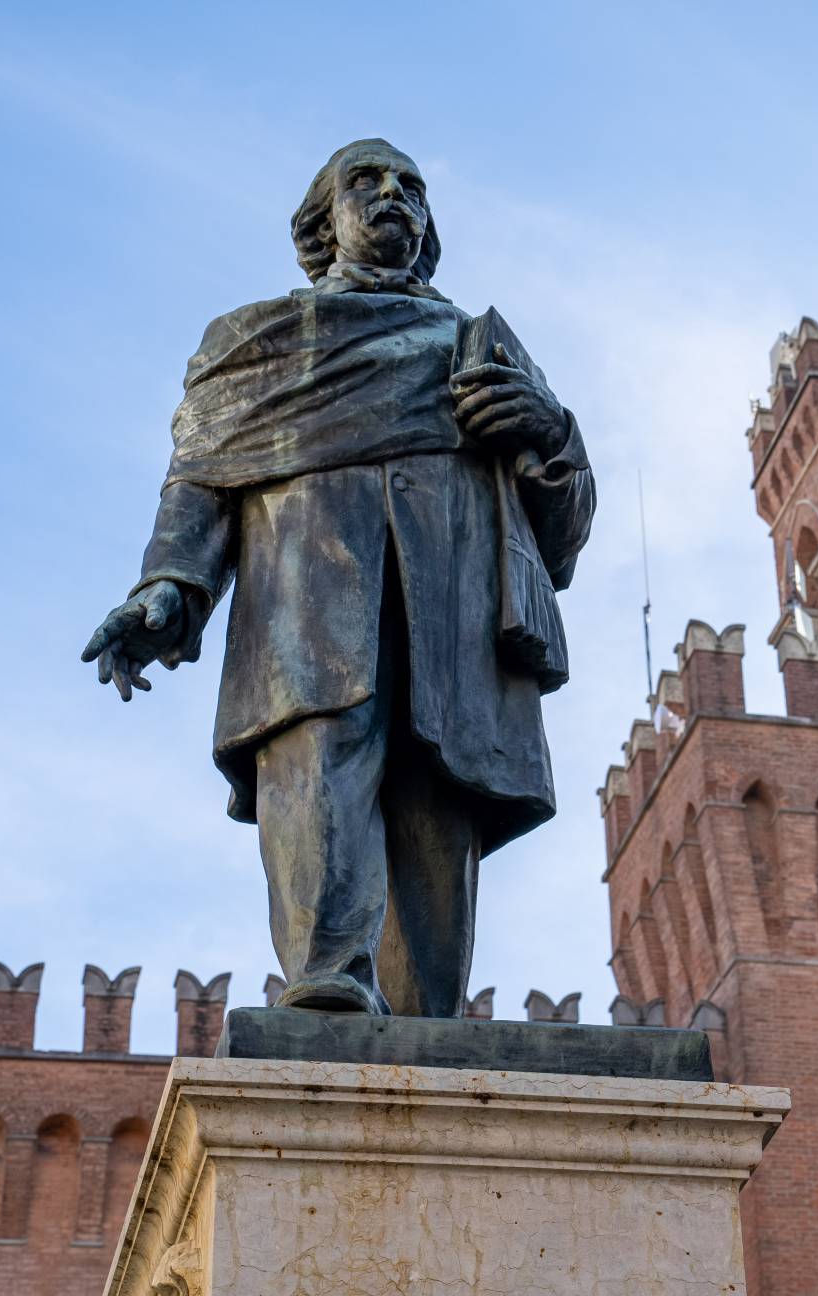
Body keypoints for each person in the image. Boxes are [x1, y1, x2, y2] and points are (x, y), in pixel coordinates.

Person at [81, 138, 594, 1019]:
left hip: (454, 612)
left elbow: (563, 534)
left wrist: (551, 431)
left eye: (412, 188)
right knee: (321, 761)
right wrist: (169, 585)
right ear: (323, 223)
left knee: (439, 798)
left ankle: (431, 1023)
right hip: (309, 601)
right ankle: (326, 985)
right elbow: (202, 475)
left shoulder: (480, 347)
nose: (394, 195)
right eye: (368, 182)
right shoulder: (257, 344)